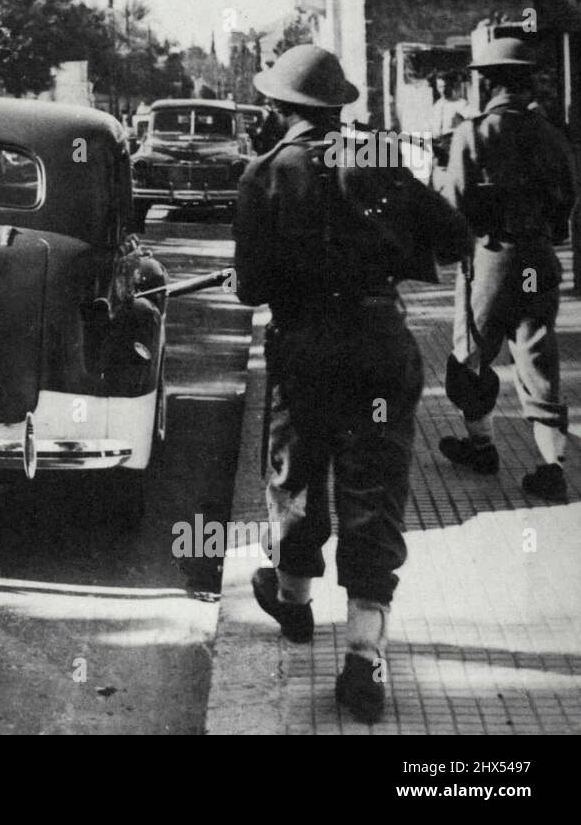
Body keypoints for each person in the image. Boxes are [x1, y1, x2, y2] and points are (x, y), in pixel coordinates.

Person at [233, 44, 468, 724]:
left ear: (281, 109)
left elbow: (250, 288)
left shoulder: (264, 176)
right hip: (380, 348)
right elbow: (452, 236)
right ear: (338, 108)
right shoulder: (379, 161)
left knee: (296, 476)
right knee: (376, 488)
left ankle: (297, 601)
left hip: (307, 350)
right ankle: (365, 655)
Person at [435, 37, 576, 503]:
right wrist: (548, 232)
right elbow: (567, 198)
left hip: (490, 263)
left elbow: (453, 208)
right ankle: (550, 467)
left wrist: (452, 251)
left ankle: (483, 448)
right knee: (539, 359)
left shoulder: (472, 134)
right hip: (538, 260)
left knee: (472, 357)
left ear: (488, 82)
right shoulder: (551, 134)